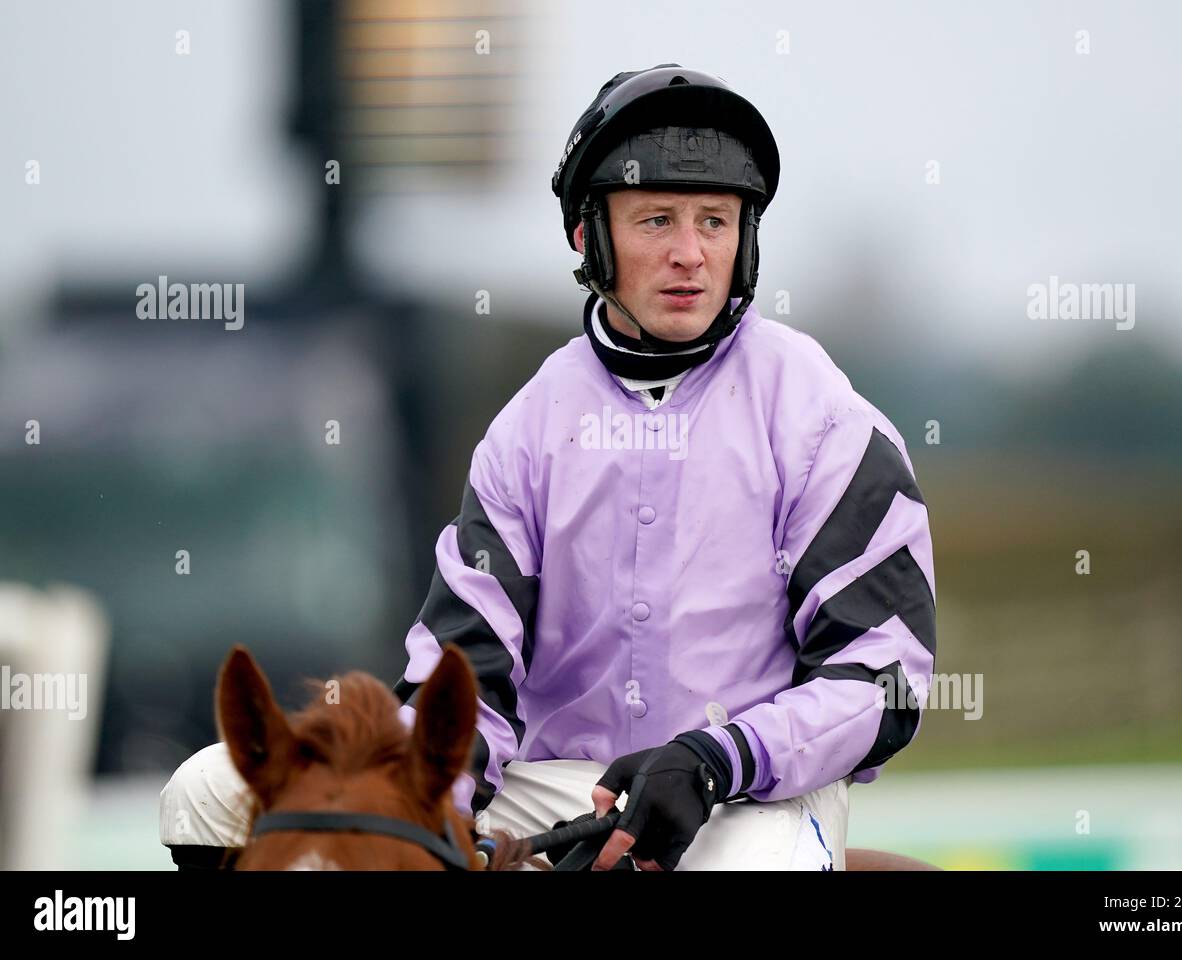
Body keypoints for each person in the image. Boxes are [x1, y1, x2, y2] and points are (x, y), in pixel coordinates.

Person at [160, 63, 937, 871]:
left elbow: (882, 678)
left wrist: (716, 758)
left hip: (753, 799)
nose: (689, 255)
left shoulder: (824, 416)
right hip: (556, 786)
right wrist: (438, 803)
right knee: (204, 793)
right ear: (587, 236)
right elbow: (466, 667)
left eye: (714, 222)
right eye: (656, 221)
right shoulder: (528, 428)